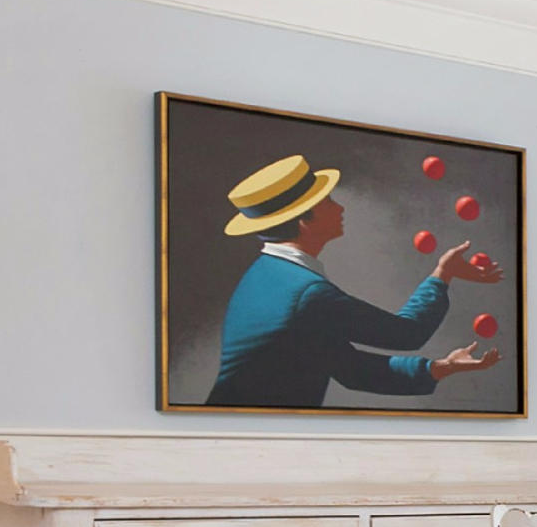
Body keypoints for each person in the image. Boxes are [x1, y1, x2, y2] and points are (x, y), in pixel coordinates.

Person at [205, 155, 501, 408]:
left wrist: (443, 368)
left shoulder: (266, 273)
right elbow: (407, 334)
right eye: (329, 201)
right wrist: (443, 274)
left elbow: (351, 370)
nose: (340, 208)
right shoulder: (308, 294)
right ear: (303, 222)